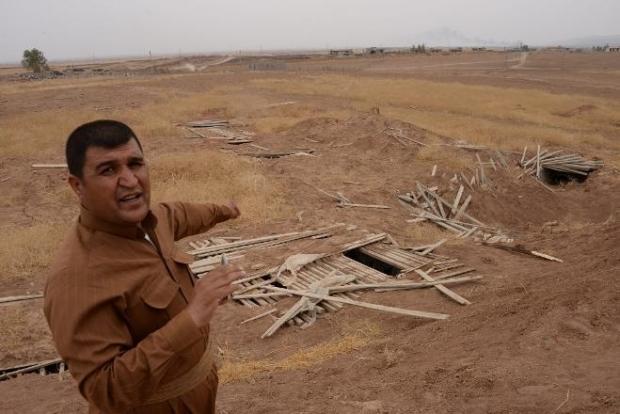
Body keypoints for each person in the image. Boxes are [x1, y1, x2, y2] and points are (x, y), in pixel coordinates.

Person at [44, 120, 243, 413]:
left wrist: (226, 210)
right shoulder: (75, 280)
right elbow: (105, 390)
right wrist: (193, 316)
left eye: (135, 164)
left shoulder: (154, 220)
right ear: (77, 186)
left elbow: (185, 214)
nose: (130, 180)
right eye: (108, 170)